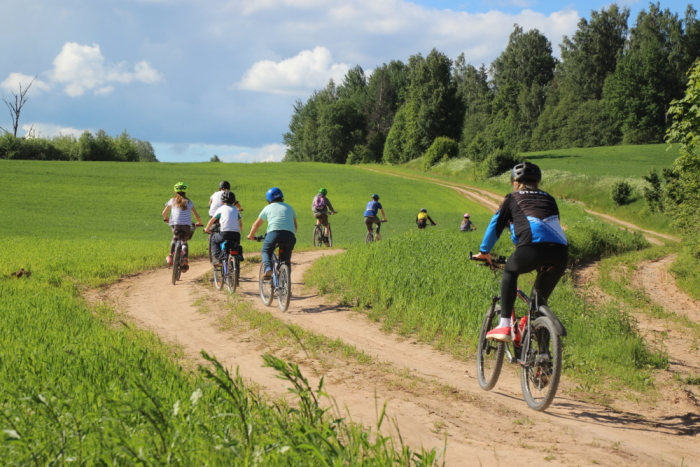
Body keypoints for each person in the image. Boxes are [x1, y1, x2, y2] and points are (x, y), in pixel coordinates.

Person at [472, 162, 568, 342]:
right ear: (537, 183)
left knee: (510, 270)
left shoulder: (513, 197)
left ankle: (504, 324)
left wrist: (484, 251)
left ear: (515, 183)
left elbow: (496, 225)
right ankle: (544, 356)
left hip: (531, 248)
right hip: (560, 253)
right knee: (539, 303)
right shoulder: (549, 199)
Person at [247, 187, 297, 278]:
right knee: (286, 259)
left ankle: (268, 268)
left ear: (268, 199)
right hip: (289, 235)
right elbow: (295, 226)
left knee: (266, 250)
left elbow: (256, 225)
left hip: (273, 234)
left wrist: (251, 236)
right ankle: (286, 279)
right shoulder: (289, 207)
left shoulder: (268, 208)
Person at [162, 182, 203, 271]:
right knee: (184, 241)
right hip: (186, 227)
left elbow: (164, 213)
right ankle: (185, 259)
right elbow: (197, 216)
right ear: (185, 191)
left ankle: (170, 256)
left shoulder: (172, 201)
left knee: (175, 238)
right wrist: (199, 223)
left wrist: (167, 219)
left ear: (175, 191)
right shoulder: (189, 202)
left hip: (176, 226)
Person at [204, 191, 242, 265]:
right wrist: (240, 229)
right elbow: (240, 223)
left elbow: (212, 221)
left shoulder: (221, 209)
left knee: (213, 240)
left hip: (224, 233)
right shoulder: (236, 210)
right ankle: (237, 257)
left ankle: (218, 258)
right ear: (234, 201)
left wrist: (207, 229)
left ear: (222, 201)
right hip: (236, 235)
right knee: (235, 245)